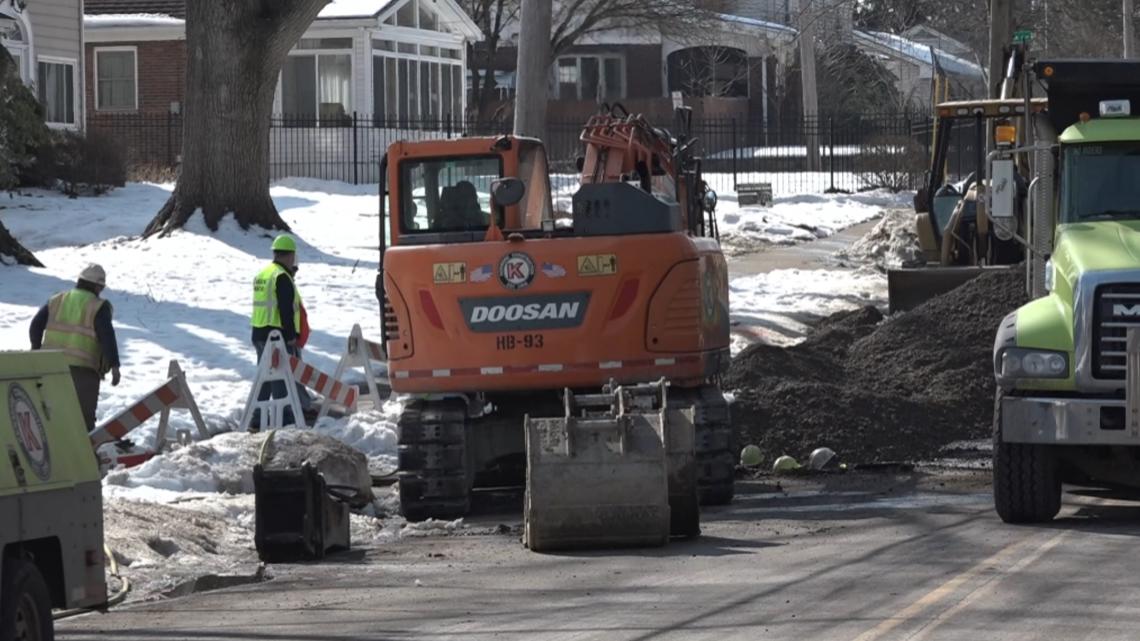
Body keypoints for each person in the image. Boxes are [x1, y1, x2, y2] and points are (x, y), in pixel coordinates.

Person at [29, 264, 121, 431]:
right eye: (101, 287)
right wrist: (114, 365)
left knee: (51, 415)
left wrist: (36, 350)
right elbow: (106, 336)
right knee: (82, 421)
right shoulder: (98, 306)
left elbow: (35, 325)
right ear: (97, 285)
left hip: (50, 368)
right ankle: (83, 455)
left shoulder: (57, 299)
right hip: (82, 371)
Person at [250, 234, 314, 427]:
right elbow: (285, 309)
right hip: (276, 335)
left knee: (266, 376)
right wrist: (290, 336)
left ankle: (256, 417)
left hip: (259, 332)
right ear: (290, 256)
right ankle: (286, 418)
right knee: (280, 377)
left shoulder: (264, 273)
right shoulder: (282, 277)